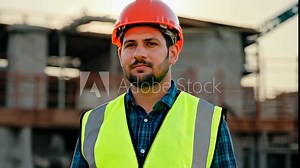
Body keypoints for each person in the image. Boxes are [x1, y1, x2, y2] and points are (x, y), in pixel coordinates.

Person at [71, 0, 237, 167]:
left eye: (151, 44)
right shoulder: (92, 123)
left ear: (173, 53)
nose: (139, 53)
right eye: (131, 45)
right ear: (121, 54)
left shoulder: (209, 122)